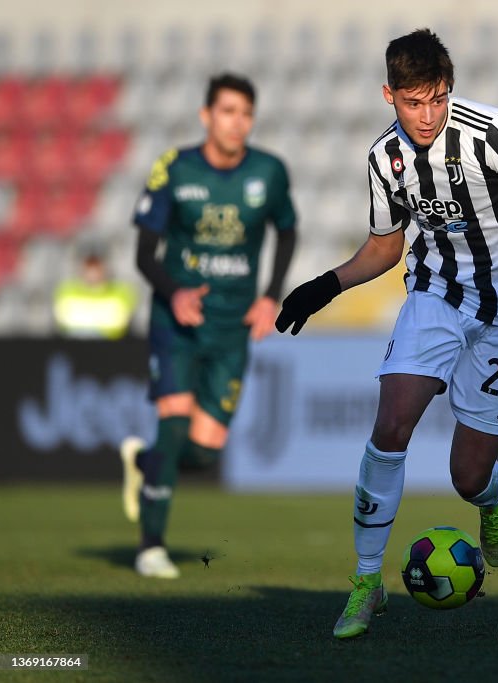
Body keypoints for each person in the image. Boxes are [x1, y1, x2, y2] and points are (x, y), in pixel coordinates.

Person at [275, 29, 498, 639]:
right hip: (434, 296)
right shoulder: (383, 158)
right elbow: (387, 246)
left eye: (437, 99)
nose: (428, 115)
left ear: (450, 88)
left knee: (467, 475)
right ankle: (366, 582)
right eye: (414, 102)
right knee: (391, 426)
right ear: (389, 95)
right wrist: (326, 286)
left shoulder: (496, 136)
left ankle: (492, 501)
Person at [119, 73, 297, 579]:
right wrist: (173, 292)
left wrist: (270, 297)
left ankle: (144, 465)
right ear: (206, 116)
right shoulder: (174, 169)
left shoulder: (270, 171)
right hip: (178, 318)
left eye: (245, 113)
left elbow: (287, 232)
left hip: (232, 325)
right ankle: (150, 547)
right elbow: (142, 252)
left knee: (201, 450)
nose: (236, 122)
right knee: (173, 419)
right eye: (227, 111)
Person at [53, 244, 137, 339]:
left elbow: (119, 323)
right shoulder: (66, 290)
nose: (93, 272)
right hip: (74, 346)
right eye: (89, 265)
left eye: (97, 266)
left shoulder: (122, 291)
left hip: (109, 347)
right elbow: (64, 322)